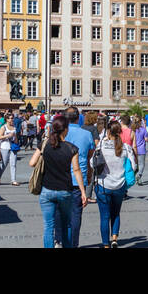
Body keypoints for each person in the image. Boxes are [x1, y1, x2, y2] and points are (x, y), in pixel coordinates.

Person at [29, 114, 86, 248]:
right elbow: (77, 170)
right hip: (65, 191)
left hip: (47, 190)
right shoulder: (72, 148)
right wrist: (83, 191)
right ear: (65, 129)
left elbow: (32, 163)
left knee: (49, 226)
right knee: (67, 224)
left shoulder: (45, 145)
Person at [94, 118, 138, 247]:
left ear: (108, 131)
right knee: (116, 213)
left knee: (104, 217)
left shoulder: (101, 146)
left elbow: (93, 164)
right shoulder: (126, 147)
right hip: (119, 185)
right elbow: (133, 166)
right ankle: (114, 238)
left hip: (103, 185)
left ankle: (106, 244)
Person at [62, 106, 95, 248]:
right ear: (78, 118)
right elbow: (90, 155)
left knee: (62, 215)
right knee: (76, 215)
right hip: (78, 179)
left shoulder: (61, 134)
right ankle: (73, 244)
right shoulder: (86, 134)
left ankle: (62, 241)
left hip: (60, 178)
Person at [0, 112, 19, 185]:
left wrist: (16, 141)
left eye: (12, 118)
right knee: (4, 164)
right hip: (5, 147)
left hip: (13, 147)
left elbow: (16, 137)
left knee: (13, 164)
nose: (11, 119)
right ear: (6, 119)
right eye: (10, 118)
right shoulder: (3, 127)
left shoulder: (14, 127)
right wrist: (8, 135)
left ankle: (13, 180)